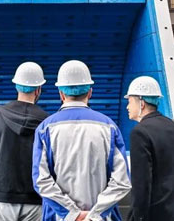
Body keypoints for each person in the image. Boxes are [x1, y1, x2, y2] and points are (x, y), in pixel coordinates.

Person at [32, 60, 131, 221]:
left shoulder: (45, 129)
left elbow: (41, 181)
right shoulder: (109, 127)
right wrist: (94, 214)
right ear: (90, 92)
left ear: (61, 94)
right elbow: (122, 182)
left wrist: (73, 214)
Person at [0, 62, 50, 221]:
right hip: (35, 199)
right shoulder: (46, 122)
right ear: (38, 89)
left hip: (1, 197)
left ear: (17, 87)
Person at [125, 76, 174, 221]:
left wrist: (138, 216)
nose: (127, 107)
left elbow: (141, 182)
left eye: (129, 101)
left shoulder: (139, 132)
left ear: (141, 103)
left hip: (157, 213)